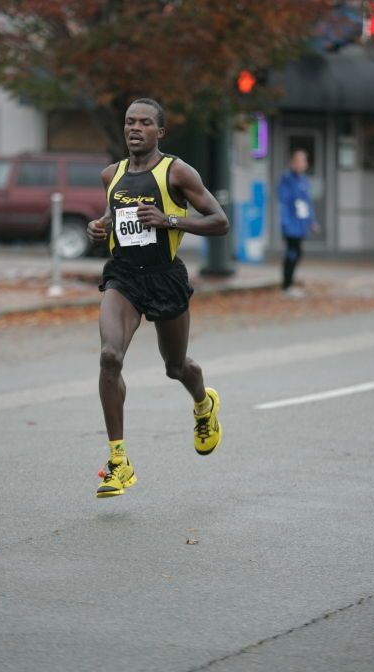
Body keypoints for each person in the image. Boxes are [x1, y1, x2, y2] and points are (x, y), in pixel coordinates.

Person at [87, 98, 230, 498]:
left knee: (175, 366)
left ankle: (204, 404)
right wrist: (99, 228)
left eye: (145, 123)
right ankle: (118, 462)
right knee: (109, 357)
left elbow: (220, 222)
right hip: (123, 279)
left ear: (159, 132)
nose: (135, 128)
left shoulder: (177, 172)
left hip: (165, 278)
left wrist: (169, 220)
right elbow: (115, 218)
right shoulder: (110, 175)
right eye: (130, 122)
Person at [277, 148, 318, 297]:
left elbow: (306, 203)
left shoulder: (304, 181)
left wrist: (311, 221)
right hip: (291, 225)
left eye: (304, 161)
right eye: (299, 160)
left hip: (300, 225)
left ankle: (288, 285)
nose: (302, 164)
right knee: (292, 253)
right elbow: (284, 202)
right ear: (293, 162)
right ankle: (286, 286)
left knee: (297, 253)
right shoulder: (287, 179)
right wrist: (285, 222)